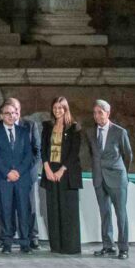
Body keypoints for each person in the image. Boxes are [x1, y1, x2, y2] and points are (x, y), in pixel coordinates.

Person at [0, 96, 39, 253]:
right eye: (7, 113)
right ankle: (7, 242)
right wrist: (7, 172)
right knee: (6, 210)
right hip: (4, 179)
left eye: (13, 113)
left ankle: (25, 242)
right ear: (1, 115)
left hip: (22, 178)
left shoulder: (24, 132)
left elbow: (29, 154)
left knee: (24, 211)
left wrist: (18, 172)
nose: (11, 116)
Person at [87, 98, 134, 260]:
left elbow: (128, 155)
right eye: (95, 113)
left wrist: (121, 173)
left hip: (117, 178)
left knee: (121, 214)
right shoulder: (90, 133)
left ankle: (123, 248)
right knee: (104, 213)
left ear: (108, 113)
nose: (97, 116)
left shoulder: (119, 132)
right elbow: (93, 155)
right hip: (99, 178)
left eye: (100, 113)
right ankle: (108, 246)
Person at [40, 96, 83, 255]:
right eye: (55, 108)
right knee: (53, 209)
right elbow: (43, 149)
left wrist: (61, 170)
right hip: (50, 172)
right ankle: (56, 246)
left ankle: (70, 247)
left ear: (65, 109)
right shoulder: (47, 126)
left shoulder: (74, 128)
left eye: (60, 108)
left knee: (68, 211)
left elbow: (74, 152)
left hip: (67, 173)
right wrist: (47, 169)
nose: (57, 110)